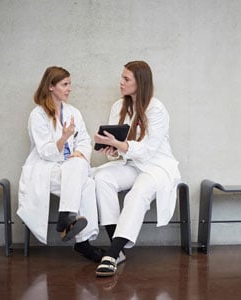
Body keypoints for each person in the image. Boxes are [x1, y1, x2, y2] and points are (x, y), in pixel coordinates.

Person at [92, 60, 181, 277]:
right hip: (131, 164)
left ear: (139, 83)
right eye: (121, 77)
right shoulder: (117, 107)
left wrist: (119, 145)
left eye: (126, 79)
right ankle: (118, 249)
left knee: (138, 192)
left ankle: (111, 255)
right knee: (102, 177)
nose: (120, 82)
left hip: (156, 166)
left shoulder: (157, 108)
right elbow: (122, 146)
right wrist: (111, 149)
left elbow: (148, 149)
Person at [17, 66, 104, 262]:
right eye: (65, 84)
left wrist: (79, 153)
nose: (69, 88)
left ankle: (67, 217)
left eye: (69, 84)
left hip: (71, 166)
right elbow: (44, 151)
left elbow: (84, 141)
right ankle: (83, 243)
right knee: (85, 181)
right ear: (50, 86)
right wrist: (64, 137)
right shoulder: (37, 115)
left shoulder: (73, 112)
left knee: (82, 172)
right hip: (47, 169)